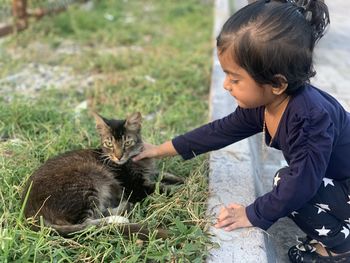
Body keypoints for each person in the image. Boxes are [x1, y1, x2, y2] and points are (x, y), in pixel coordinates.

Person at [133, 0, 350, 262]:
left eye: (235, 79)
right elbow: (219, 131)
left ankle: (340, 247)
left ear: (277, 83)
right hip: (338, 181)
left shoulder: (309, 117)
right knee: (291, 183)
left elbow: (302, 184)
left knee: (288, 183)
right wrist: (159, 149)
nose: (226, 85)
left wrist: (253, 213)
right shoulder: (267, 102)